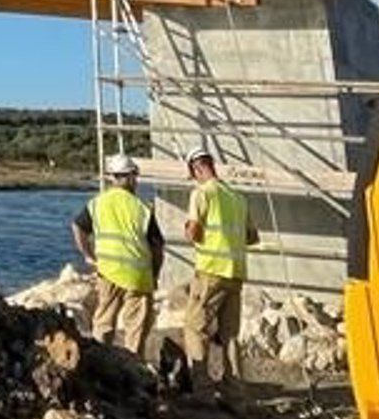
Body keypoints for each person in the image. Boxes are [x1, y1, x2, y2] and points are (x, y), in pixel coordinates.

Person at [71, 152, 165, 358]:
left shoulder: (97, 203)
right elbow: (157, 246)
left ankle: (99, 362)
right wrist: (155, 274)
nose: (136, 181)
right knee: (136, 329)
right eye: (134, 177)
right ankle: (134, 366)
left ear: (112, 177)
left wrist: (88, 255)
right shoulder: (142, 208)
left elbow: (78, 227)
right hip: (138, 276)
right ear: (130, 177)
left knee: (104, 322)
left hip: (108, 271)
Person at [181, 147, 258, 398]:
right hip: (235, 273)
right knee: (230, 335)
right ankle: (235, 393)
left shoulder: (202, 193)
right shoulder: (237, 197)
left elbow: (193, 232)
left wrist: (190, 231)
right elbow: (252, 237)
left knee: (195, 328)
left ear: (196, 169)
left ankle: (202, 390)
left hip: (211, 271)